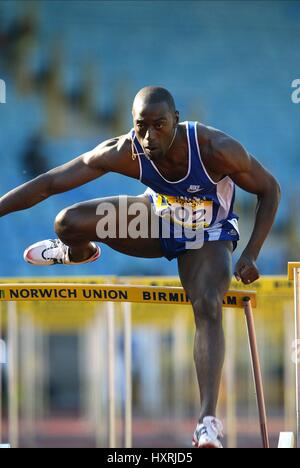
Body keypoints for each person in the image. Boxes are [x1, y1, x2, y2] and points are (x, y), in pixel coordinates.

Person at [0, 86, 280, 448]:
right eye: (141, 126)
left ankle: (207, 422)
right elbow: (51, 182)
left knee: (208, 304)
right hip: (153, 222)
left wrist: (252, 253)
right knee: (66, 222)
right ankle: (78, 252)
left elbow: (270, 189)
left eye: (159, 125)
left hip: (208, 236)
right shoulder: (126, 150)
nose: (149, 137)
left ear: (176, 121)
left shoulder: (214, 148)